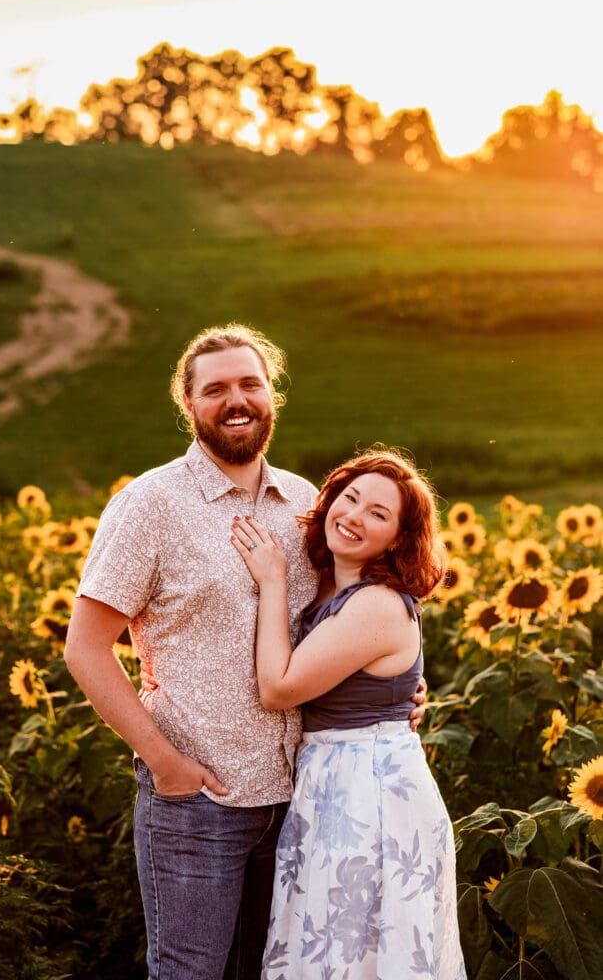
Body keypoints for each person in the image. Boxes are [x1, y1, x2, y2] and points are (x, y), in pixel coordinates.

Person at [64, 324, 426, 980]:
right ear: (188, 403)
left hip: (301, 801)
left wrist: (392, 695)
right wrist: (165, 763)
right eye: (216, 389)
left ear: (272, 396)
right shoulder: (149, 505)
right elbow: (85, 648)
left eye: (250, 384)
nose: (236, 399)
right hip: (199, 800)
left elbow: (342, 624)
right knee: (188, 972)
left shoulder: (305, 504)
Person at [231, 447, 467, 979]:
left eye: (378, 514)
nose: (354, 516)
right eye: (350, 497)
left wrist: (272, 581)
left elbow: (279, 688)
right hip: (339, 785)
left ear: (400, 539)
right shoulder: (335, 590)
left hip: (369, 798)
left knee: (358, 956)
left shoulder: (377, 603)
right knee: (335, 952)